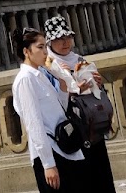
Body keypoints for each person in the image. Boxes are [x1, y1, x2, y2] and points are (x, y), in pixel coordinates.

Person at [43, 15, 114, 193]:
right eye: (59, 38)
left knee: (101, 176)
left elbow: (96, 92)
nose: (65, 42)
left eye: (68, 37)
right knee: (81, 179)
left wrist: (97, 83)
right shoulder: (48, 66)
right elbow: (51, 101)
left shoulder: (79, 59)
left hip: (91, 124)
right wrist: (74, 90)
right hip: (71, 129)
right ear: (50, 42)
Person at [11, 27, 85, 193]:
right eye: (40, 47)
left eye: (45, 46)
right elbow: (33, 123)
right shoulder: (25, 79)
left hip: (63, 145)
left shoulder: (41, 74)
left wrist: (64, 85)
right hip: (50, 151)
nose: (45, 52)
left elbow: (59, 109)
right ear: (26, 51)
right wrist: (48, 164)